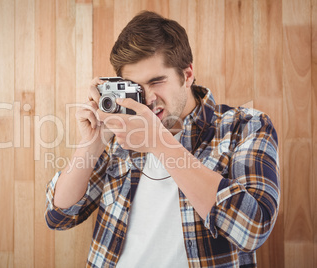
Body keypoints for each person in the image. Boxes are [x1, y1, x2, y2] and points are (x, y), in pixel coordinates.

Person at [45, 10, 280, 267]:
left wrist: (159, 142)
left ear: (187, 74)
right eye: (136, 86)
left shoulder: (245, 126)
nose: (148, 99)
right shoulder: (120, 133)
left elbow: (254, 228)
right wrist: (93, 143)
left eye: (157, 81)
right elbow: (60, 216)